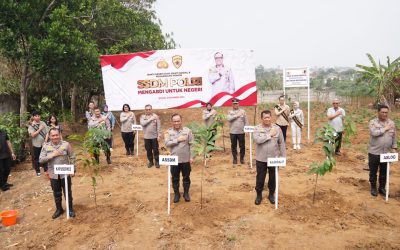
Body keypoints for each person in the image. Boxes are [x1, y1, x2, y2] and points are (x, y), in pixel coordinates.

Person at [39, 128, 76, 219]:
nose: (55, 137)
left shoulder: (66, 144)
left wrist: (73, 170)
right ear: (50, 136)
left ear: (59, 135)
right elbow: (40, 160)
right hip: (53, 174)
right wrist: (52, 155)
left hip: (65, 173)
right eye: (53, 135)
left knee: (68, 192)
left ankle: (70, 209)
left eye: (56, 135)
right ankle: (59, 209)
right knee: (56, 193)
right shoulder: (46, 146)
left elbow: (72, 157)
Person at [253, 110, 286, 205]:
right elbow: (258, 140)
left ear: (271, 117)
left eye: (269, 117)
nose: (267, 119)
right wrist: (269, 135)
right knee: (260, 178)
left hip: (274, 159)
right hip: (261, 158)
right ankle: (259, 194)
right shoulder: (257, 128)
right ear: (261, 119)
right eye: (265, 117)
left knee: (273, 178)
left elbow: (281, 143)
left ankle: (271, 194)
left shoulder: (277, 128)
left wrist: (283, 157)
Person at [368, 105, 397, 197]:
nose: (384, 114)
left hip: (386, 153)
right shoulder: (373, 122)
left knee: (384, 172)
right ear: (378, 112)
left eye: (386, 112)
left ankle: (382, 188)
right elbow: (374, 133)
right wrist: (385, 128)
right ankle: (373, 188)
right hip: (374, 152)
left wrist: (394, 147)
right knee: (373, 172)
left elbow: (394, 137)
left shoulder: (391, 123)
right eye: (383, 112)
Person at [165, 114, 194, 203]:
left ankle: (186, 193)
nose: (176, 123)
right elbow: (167, 143)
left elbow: (192, 144)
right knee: (175, 178)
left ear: (181, 121)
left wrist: (192, 157)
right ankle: (176, 194)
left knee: (186, 178)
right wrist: (177, 140)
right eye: (174, 121)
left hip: (185, 159)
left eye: (178, 121)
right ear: (172, 122)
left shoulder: (188, 131)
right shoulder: (168, 132)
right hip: (174, 160)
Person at [227, 98, 248, 165]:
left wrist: (247, 130)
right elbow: (229, 119)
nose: (235, 105)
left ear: (238, 104)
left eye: (236, 103)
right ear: (232, 104)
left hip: (241, 132)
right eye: (234, 104)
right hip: (233, 132)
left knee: (242, 146)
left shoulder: (243, 111)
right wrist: (237, 115)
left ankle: (242, 158)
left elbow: (246, 121)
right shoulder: (230, 112)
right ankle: (235, 158)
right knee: (233, 146)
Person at [28, 111, 49, 176]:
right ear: (33, 117)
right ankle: (37, 170)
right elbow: (33, 135)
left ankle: (46, 169)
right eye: (36, 116)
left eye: (38, 116)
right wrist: (39, 129)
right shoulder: (31, 125)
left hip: (44, 144)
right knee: (36, 158)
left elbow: (48, 132)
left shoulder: (43, 123)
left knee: (45, 156)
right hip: (36, 144)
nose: (37, 117)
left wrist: (45, 141)